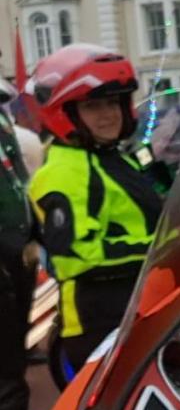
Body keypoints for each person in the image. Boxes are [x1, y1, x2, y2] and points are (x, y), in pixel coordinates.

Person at [26, 46, 164, 372]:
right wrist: (162, 248)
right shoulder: (64, 172)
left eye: (113, 102)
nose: (108, 114)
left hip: (141, 308)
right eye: (93, 106)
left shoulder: (112, 157)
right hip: (101, 322)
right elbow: (76, 256)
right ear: (67, 113)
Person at [0, 78, 38, 410]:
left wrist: (33, 231)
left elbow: (20, 182)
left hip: (16, 252)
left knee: (13, 358)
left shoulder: (3, 114)